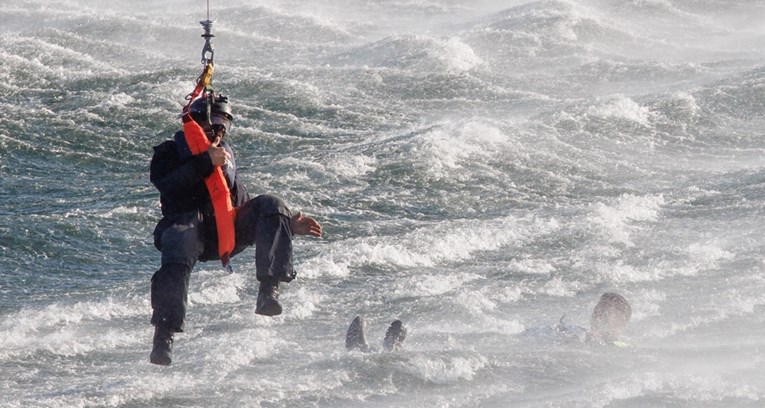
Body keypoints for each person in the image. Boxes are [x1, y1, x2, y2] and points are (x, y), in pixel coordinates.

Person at [148, 93, 322, 365]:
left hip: (225, 231)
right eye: (215, 121)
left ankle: (269, 291)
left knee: (273, 205)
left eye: (225, 124)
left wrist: (286, 222)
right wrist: (205, 162)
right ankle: (164, 335)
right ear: (197, 120)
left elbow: (241, 200)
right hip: (189, 229)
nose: (219, 129)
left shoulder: (226, 154)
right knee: (179, 240)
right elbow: (167, 184)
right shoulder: (169, 152)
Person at [555, 292, 632, 346]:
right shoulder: (579, 333)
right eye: (596, 310)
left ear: (621, 321)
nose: (596, 315)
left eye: (604, 312)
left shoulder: (623, 349)